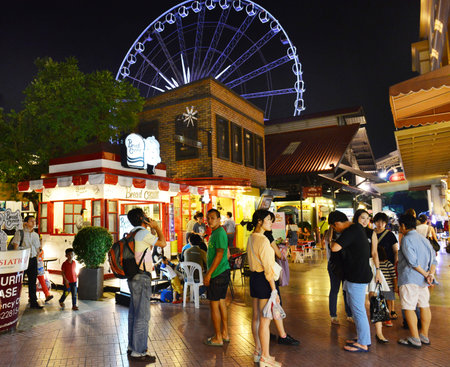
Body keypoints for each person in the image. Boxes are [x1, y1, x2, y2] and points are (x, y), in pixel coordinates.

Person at [126, 208, 166, 362]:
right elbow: (162, 243)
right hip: (142, 277)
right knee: (142, 315)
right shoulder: (143, 233)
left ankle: (132, 347)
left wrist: (151, 229)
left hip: (132, 277)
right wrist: (156, 227)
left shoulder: (132, 233)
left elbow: (149, 244)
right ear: (142, 217)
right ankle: (139, 351)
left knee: (134, 313)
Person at [329, 210, 372, 353]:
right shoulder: (356, 229)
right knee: (355, 309)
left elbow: (335, 248)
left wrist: (331, 240)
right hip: (356, 275)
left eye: (334, 228)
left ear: (336, 224)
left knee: (358, 310)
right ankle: (361, 338)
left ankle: (364, 342)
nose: (335, 230)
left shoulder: (352, 230)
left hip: (357, 276)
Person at [246, 209, 282, 366]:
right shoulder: (263, 241)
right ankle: (265, 357)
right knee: (265, 320)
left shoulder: (251, 238)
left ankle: (257, 351)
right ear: (259, 221)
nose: (271, 223)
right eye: (269, 219)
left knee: (256, 317)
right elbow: (269, 269)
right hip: (264, 281)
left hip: (254, 279)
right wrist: (274, 290)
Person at [397, 214, 437, 349]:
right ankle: (424, 335)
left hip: (409, 279)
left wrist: (426, 273)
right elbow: (434, 260)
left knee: (408, 307)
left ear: (403, 225)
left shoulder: (406, 239)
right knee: (424, 305)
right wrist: (430, 274)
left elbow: (412, 262)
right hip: (423, 281)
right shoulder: (424, 239)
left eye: (399, 226)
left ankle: (415, 338)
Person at [353, 209, 390, 342]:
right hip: (357, 268)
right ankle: (361, 333)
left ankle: (379, 333)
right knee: (358, 303)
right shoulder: (352, 231)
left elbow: (375, 253)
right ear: (356, 218)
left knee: (375, 299)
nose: (365, 221)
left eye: (367, 218)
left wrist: (378, 271)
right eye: (362, 218)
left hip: (371, 266)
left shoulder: (371, 233)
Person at [264, 224, 299, 346]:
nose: (270, 223)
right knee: (275, 304)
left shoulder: (254, 237)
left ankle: (266, 332)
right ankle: (281, 335)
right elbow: (279, 255)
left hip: (257, 277)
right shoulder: (266, 236)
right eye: (268, 220)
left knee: (262, 307)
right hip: (268, 277)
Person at [203, 209, 231, 347]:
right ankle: (225, 333)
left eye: (213, 218)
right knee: (221, 303)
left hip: (218, 275)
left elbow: (220, 255)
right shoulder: (216, 233)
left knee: (214, 305)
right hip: (222, 273)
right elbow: (227, 254)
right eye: (208, 218)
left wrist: (209, 274)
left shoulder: (219, 233)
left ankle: (218, 337)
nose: (210, 220)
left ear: (219, 219)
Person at [12, 215, 43, 309]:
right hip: (23, 260)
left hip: (33, 260)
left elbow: (38, 249)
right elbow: (15, 247)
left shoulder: (36, 235)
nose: (34, 223)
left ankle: (33, 302)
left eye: (34, 221)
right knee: (18, 282)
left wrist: (37, 260)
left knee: (32, 282)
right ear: (25, 223)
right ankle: (13, 302)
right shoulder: (20, 233)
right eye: (31, 221)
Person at [324, 228, 353, 325]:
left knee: (337, 290)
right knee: (341, 290)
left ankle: (335, 315)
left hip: (337, 265)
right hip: (336, 265)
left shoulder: (329, 234)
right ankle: (343, 315)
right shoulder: (331, 235)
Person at [374, 212, 399, 319]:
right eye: (378, 221)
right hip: (375, 265)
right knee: (377, 288)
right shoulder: (371, 233)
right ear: (374, 222)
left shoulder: (390, 235)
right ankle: (381, 309)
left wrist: (395, 262)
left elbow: (395, 250)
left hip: (387, 264)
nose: (380, 224)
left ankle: (392, 310)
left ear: (386, 223)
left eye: (383, 222)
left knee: (389, 287)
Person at [378, 246, 398, 326]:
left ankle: (383, 318)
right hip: (389, 287)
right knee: (388, 303)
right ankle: (387, 319)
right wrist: (395, 286)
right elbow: (394, 277)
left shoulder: (376, 264)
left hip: (379, 287)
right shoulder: (388, 264)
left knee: (381, 303)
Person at [37, 236, 53, 303]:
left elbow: (41, 259)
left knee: (42, 282)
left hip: (40, 268)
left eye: (41, 242)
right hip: (33, 267)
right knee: (32, 283)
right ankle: (31, 297)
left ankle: (47, 295)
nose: (40, 243)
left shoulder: (41, 250)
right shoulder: (35, 250)